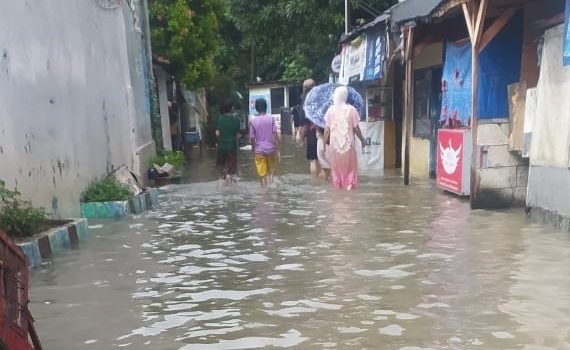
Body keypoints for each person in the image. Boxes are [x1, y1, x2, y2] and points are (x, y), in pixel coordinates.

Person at [324, 86, 365, 190]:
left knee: (336, 171)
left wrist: (324, 144)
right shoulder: (352, 110)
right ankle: (350, 191)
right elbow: (356, 128)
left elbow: (327, 130)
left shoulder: (330, 111)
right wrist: (363, 140)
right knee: (350, 170)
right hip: (348, 146)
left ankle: (339, 192)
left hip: (334, 147)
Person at [250, 98, 280, 187]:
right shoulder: (271, 119)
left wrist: (253, 149)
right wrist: (278, 149)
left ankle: (263, 196)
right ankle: (271, 187)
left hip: (259, 151)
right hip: (271, 150)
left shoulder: (253, 121)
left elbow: (252, 138)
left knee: (262, 175)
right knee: (271, 172)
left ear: (256, 108)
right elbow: (275, 135)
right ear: (266, 107)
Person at [215, 99, 241, 183]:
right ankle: (230, 178)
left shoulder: (220, 119)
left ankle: (225, 177)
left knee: (220, 166)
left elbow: (217, 133)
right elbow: (237, 134)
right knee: (232, 169)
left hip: (221, 147)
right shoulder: (236, 120)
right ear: (231, 108)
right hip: (232, 147)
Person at [298, 79, 320, 177]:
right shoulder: (321, 98)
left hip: (311, 134)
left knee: (313, 160)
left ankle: (315, 183)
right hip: (324, 132)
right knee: (324, 160)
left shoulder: (305, 103)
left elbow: (303, 124)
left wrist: (302, 140)